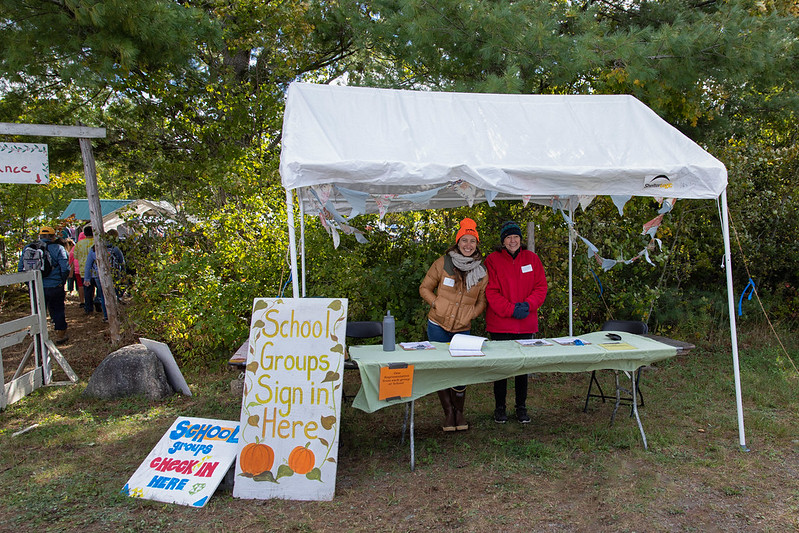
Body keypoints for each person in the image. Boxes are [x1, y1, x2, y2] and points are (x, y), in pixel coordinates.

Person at [419, 218, 489, 432]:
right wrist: (436, 304)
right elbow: (424, 288)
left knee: (460, 370)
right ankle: (448, 413)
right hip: (437, 324)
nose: (468, 245)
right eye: (464, 240)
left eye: (473, 241)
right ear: (458, 242)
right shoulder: (443, 263)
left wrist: (471, 314)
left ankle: (460, 412)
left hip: (462, 329)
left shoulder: (481, 271)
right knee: (442, 368)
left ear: (477, 244)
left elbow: (482, 301)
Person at [485, 220, 548, 424]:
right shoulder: (492, 260)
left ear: (521, 240)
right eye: (509, 237)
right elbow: (491, 292)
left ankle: (521, 407)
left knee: (522, 368)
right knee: (501, 368)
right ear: (503, 241)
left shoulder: (532, 259)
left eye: (516, 237)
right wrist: (511, 309)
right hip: (501, 323)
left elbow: (541, 288)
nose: (512, 241)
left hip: (525, 323)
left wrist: (527, 306)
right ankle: (499, 408)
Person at [17, 226, 70, 344]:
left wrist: (30, 284)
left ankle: (38, 337)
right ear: (52, 237)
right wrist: (61, 281)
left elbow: (21, 269)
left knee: (38, 312)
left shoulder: (29, 248)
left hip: (37, 286)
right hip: (55, 286)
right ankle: (61, 335)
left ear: (40, 236)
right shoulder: (58, 248)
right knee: (58, 309)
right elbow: (65, 268)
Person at [84, 233, 125, 322]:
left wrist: (87, 278)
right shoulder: (114, 248)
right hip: (114, 275)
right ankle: (115, 314)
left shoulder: (94, 249)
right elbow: (122, 262)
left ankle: (107, 316)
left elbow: (88, 265)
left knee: (103, 295)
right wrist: (123, 274)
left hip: (98, 275)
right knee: (114, 294)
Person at [74, 225, 95, 313]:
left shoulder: (79, 244)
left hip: (83, 270)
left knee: (87, 289)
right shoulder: (96, 242)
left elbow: (76, 256)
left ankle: (88, 307)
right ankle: (98, 302)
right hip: (96, 270)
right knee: (99, 288)